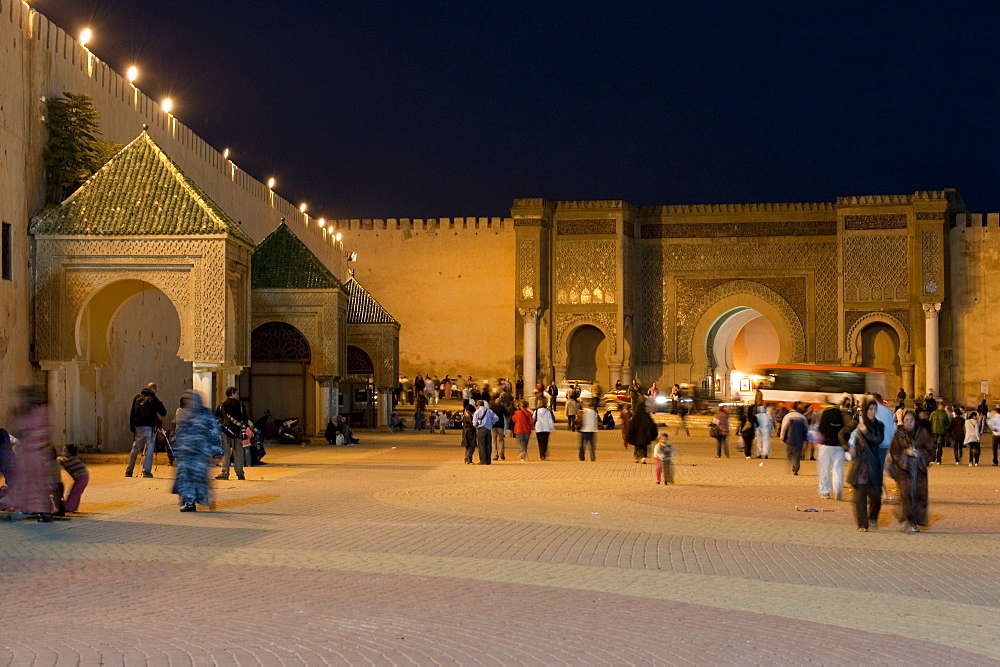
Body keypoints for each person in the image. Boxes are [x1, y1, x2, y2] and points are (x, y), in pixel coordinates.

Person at [1, 387, 58, 522]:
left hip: (37, 454)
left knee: (38, 483)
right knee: (23, 483)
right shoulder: (24, 415)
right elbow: (17, 431)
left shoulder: (41, 413)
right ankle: (15, 510)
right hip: (28, 455)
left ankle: (44, 512)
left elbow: (46, 433)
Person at [171, 390, 223, 512]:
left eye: (192, 399)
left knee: (199, 478)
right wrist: (176, 452)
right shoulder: (184, 414)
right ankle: (189, 503)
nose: (190, 402)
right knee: (185, 479)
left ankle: (205, 498)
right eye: (188, 400)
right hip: (186, 453)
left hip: (201, 453)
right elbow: (180, 434)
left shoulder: (206, 414)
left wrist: (216, 451)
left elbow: (214, 432)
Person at [888, 410, 934, 532]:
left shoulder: (922, 433)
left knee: (918, 495)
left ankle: (914, 521)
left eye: (911, 420)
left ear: (915, 421)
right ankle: (904, 520)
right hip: (903, 471)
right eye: (906, 420)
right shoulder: (899, 435)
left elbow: (931, 449)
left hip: (919, 470)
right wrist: (905, 453)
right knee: (905, 494)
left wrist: (920, 454)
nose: (908, 423)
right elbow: (894, 451)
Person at [848, 397, 886, 531]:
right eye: (870, 409)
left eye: (875, 409)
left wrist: (865, 431)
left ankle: (873, 516)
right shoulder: (857, 422)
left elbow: (878, 440)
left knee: (876, 495)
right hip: (860, 464)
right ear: (865, 410)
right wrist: (849, 447)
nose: (873, 412)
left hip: (873, 464)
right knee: (860, 497)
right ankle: (862, 524)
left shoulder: (879, 426)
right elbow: (842, 434)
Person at [126, 382, 167, 478]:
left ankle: (129, 470)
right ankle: (146, 471)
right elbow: (163, 412)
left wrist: (133, 427)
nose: (156, 391)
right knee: (149, 449)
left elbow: (132, 413)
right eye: (156, 389)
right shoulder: (153, 398)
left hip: (138, 427)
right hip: (150, 427)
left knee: (135, 448)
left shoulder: (137, 398)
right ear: (153, 388)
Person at [214, 387, 248, 481]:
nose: (237, 395)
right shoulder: (240, 405)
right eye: (236, 393)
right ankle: (240, 474)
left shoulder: (221, 405)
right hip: (237, 432)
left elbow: (217, 418)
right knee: (238, 453)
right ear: (233, 393)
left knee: (226, 453)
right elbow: (245, 419)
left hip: (225, 432)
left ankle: (225, 473)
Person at [817, 402, 849, 500]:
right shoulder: (840, 415)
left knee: (824, 469)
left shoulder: (825, 414)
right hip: (839, 446)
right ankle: (838, 489)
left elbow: (821, 429)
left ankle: (825, 492)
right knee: (838, 469)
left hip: (826, 445)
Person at [57, 444, 89, 514]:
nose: (63, 452)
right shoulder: (72, 458)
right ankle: (70, 506)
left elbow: (60, 461)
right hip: (83, 477)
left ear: (70, 452)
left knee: (74, 493)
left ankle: (69, 508)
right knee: (75, 492)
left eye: (64, 451)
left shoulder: (69, 459)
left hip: (81, 477)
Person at [780, 403, 809, 475]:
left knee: (789, 452)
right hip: (799, 439)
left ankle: (789, 465)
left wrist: (782, 437)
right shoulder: (802, 417)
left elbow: (784, 428)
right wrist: (806, 438)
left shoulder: (787, 417)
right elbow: (806, 428)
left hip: (789, 438)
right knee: (797, 453)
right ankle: (796, 469)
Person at [625, 399, 657, 463]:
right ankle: (644, 458)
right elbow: (652, 426)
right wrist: (653, 434)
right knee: (644, 447)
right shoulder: (647, 416)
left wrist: (628, 436)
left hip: (636, 436)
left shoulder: (635, 417)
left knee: (637, 447)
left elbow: (631, 427)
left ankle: (637, 457)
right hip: (645, 435)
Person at [472, 400, 497, 464]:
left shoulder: (477, 412)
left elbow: (474, 424)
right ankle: (488, 460)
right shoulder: (489, 411)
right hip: (488, 429)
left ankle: (483, 460)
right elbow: (496, 418)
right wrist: (491, 423)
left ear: (478, 405)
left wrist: (477, 424)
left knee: (481, 445)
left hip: (481, 429)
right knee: (488, 445)